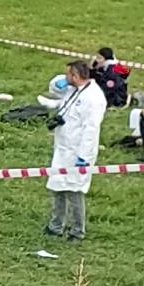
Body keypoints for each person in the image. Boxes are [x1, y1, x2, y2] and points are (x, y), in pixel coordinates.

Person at [44, 60, 107, 242]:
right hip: (63, 147)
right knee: (57, 186)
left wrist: (84, 156)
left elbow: (91, 129)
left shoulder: (93, 98)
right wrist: (58, 82)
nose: (66, 78)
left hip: (78, 150)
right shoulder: (73, 89)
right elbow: (55, 89)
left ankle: (77, 230)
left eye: (68, 75)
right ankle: (56, 225)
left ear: (76, 76)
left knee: (74, 190)